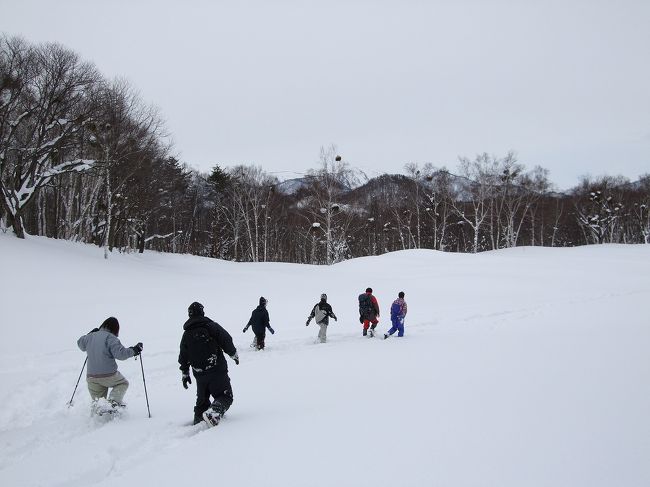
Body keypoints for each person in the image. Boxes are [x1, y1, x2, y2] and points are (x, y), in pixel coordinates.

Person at [178, 301, 239, 426]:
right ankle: (213, 413)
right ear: (202, 312)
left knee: (202, 401)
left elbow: (183, 355)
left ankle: (198, 420)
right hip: (217, 370)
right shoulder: (211, 326)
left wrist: (185, 373)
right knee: (225, 396)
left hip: (199, 373)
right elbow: (226, 339)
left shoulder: (186, 334)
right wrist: (233, 354)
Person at [77, 317, 142, 412]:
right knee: (123, 383)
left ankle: (99, 421)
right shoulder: (110, 338)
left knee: (98, 404)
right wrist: (134, 350)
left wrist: (90, 333)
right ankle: (113, 403)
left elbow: (80, 344)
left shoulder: (91, 336)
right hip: (109, 375)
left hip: (91, 378)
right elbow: (121, 354)